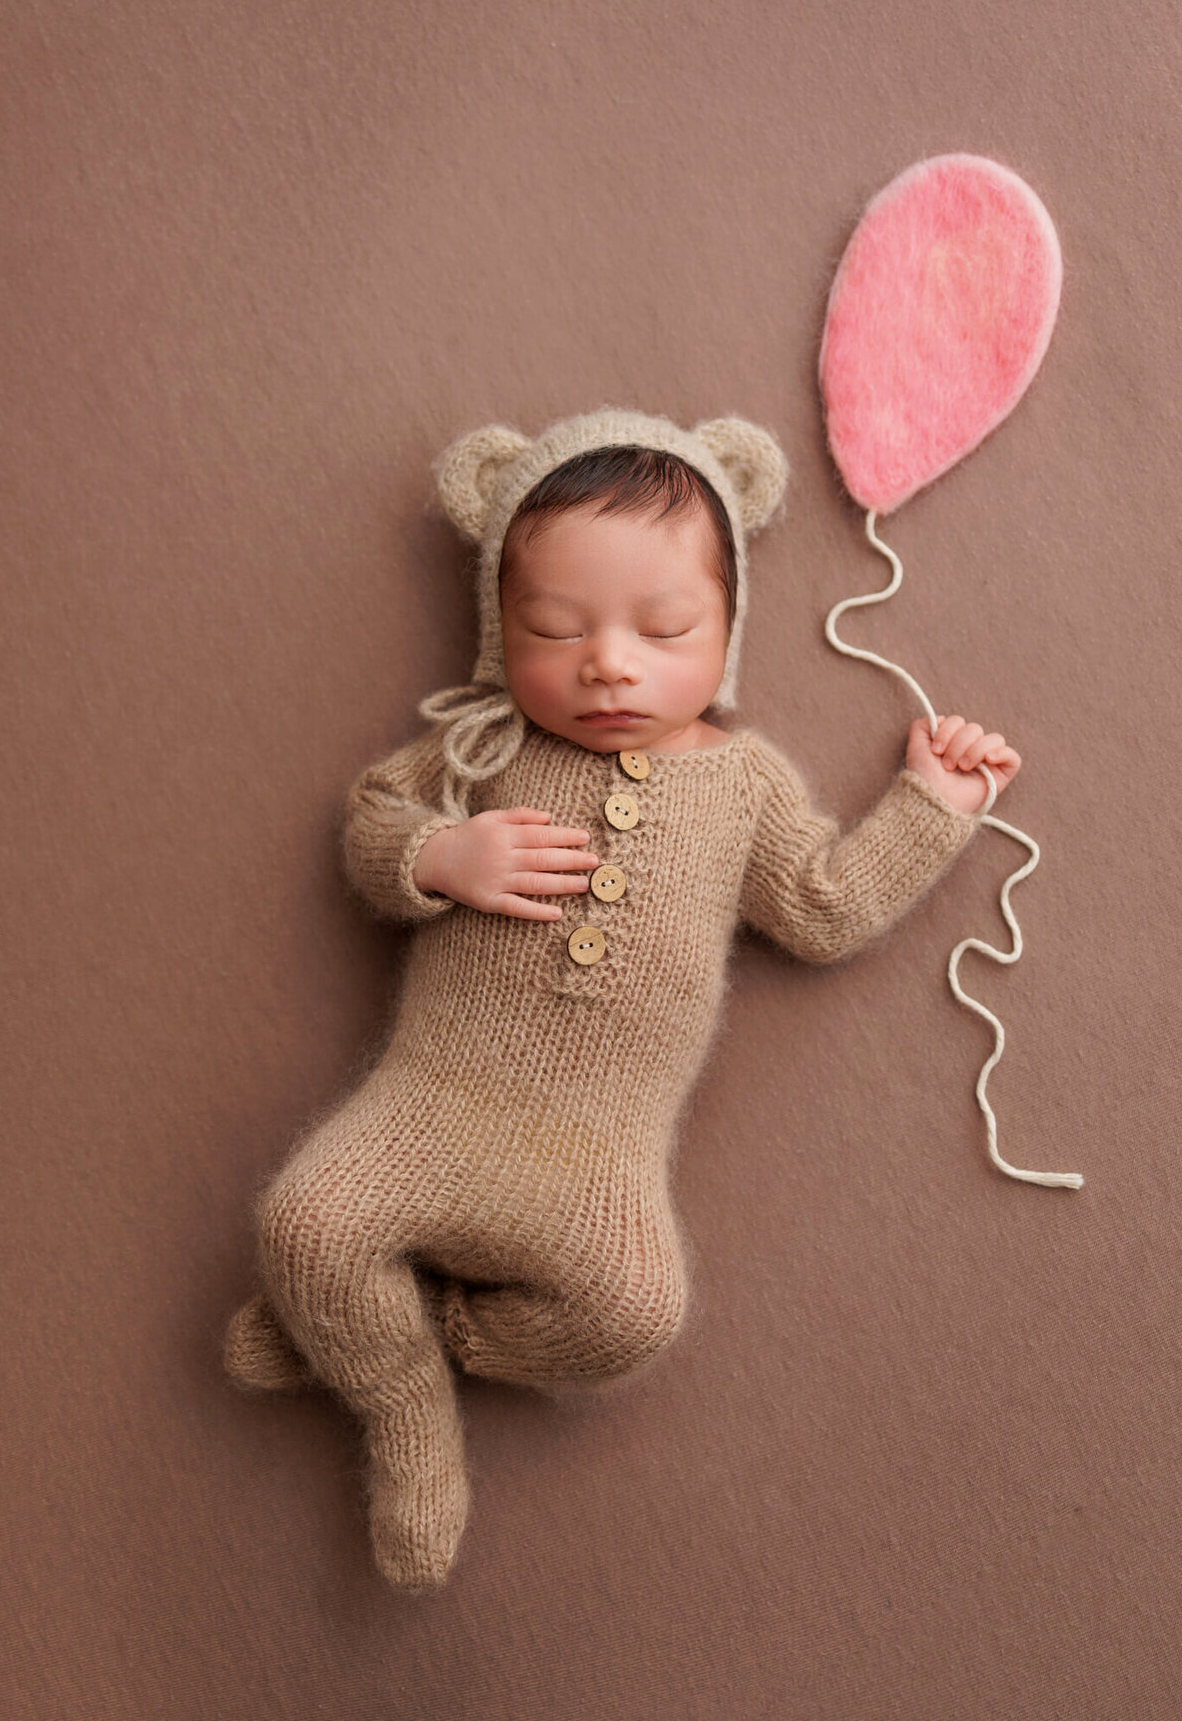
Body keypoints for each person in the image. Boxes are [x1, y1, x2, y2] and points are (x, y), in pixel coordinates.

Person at [222, 408, 1019, 1591]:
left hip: (597, 1155)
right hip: (432, 1104)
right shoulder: (480, 745)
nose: (608, 661)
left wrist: (932, 807)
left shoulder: (742, 782)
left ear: (727, 628)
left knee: (633, 1321)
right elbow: (373, 819)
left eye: (665, 628)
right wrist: (438, 859)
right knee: (303, 1224)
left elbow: (824, 907)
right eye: (554, 627)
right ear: (501, 632)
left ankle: (411, 1331)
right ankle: (404, 1413)